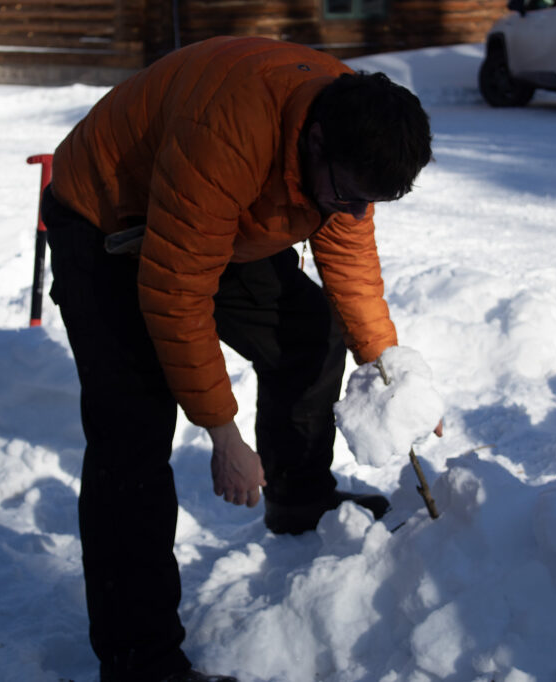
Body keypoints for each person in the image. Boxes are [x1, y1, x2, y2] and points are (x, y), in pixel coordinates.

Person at [41, 35, 432, 682]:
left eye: (374, 200)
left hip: (220, 217)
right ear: (315, 145)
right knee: (131, 431)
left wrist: (387, 368)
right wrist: (221, 431)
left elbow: (350, 255)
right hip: (109, 221)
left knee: (310, 330)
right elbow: (176, 290)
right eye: (353, 194)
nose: (359, 212)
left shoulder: (350, 125)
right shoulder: (228, 132)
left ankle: (299, 498)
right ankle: (140, 660)